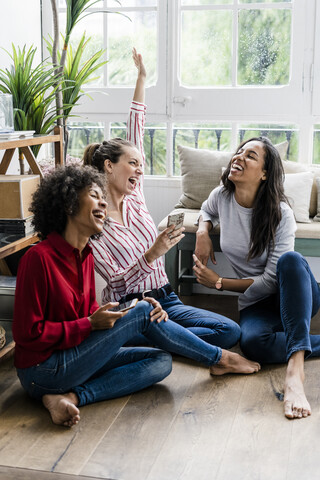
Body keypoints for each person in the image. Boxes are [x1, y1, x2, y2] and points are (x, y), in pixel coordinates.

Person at [12, 165, 260, 427]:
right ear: (68, 203)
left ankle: (71, 397)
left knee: (160, 360)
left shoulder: (85, 255)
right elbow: (27, 333)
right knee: (143, 311)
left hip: (75, 357)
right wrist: (93, 323)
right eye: (94, 195)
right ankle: (219, 358)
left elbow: (89, 313)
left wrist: (124, 312)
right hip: (42, 370)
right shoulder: (38, 259)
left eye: (102, 198)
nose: (102, 202)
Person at [83, 48, 241, 350]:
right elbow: (114, 285)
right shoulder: (93, 219)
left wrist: (142, 77)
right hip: (131, 308)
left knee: (229, 331)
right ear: (109, 165)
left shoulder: (136, 196)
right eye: (133, 163)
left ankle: (159, 340)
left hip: (166, 297)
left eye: (141, 164)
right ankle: (150, 335)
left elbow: (136, 129)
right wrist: (152, 254)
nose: (140, 170)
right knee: (210, 337)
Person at [193, 136, 320, 420]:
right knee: (252, 345)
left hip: (294, 292)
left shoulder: (281, 214)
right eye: (238, 151)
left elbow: (272, 280)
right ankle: (305, 340)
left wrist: (219, 282)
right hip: (257, 303)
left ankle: (296, 369)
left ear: (264, 174)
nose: (238, 157)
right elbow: (206, 209)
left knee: (291, 260)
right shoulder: (222, 196)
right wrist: (203, 232)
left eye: (250, 155)